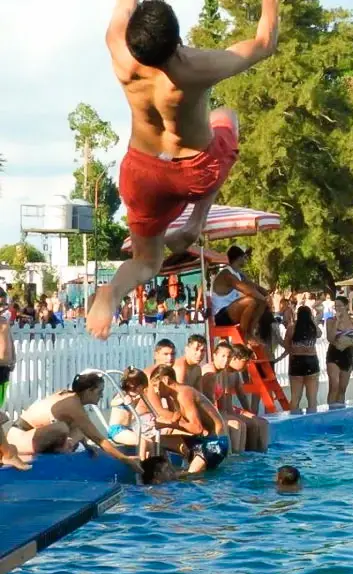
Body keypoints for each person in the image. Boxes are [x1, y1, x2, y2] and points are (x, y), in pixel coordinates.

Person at [88, 0, 280, 339]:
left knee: (147, 262)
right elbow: (265, 42)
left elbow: (123, 7)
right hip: (194, 171)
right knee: (225, 117)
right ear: (176, 42)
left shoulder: (119, 50)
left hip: (143, 171)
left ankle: (112, 292)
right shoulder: (195, 66)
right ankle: (195, 222)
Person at [6, 372, 143, 473]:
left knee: (77, 430)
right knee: (62, 428)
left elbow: (86, 431)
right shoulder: (72, 403)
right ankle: (62, 449)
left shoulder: (74, 400)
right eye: (99, 392)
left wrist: (86, 445)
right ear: (89, 390)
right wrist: (126, 459)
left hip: (31, 436)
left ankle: (64, 447)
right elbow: (99, 439)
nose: (101, 396)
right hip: (19, 438)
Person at [146, 365, 229, 474]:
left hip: (215, 444)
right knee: (157, 440)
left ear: (166, 380)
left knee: (187, 478)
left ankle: (183, 468)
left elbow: (197, 428)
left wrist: (168, 424)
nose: (156, 391)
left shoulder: (184, 394)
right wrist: (170, 424)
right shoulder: (176, 396)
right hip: (201, 440)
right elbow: (192, 427)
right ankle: (169, 471)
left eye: (156, 386)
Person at [107, 367, 157, 460]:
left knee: (150, 442)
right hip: (117, 430)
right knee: (142, 442)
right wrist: (122, 400)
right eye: (141, 387)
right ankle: (141, 467)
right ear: (135, 386)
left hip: (127, 429)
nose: (143, 389)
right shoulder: (123, 394)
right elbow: (112, 403)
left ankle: (151, 464)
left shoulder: (136, 397)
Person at [282, 305, 322, 413]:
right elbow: (320, 334)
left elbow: (285, 344)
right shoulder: (312, 328)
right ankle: (312, 422)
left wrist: (294, 350)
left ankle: (294, 422)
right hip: (311, 361)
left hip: (296, 361)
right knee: (312, 398)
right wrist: (313, 321)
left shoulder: (291, 328)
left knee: (295, 397)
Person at [325, 296, 353, 408]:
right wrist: (337, 322)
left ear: (346, 306)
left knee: (342, 387)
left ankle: (339, 411)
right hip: (334, 353)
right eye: (335, 306)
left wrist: (349, 344)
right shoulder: (330, 321)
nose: (337, 308)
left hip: (347, 353)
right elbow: (330, 338)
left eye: (340, 305)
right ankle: (330, 411)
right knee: (334, 385)